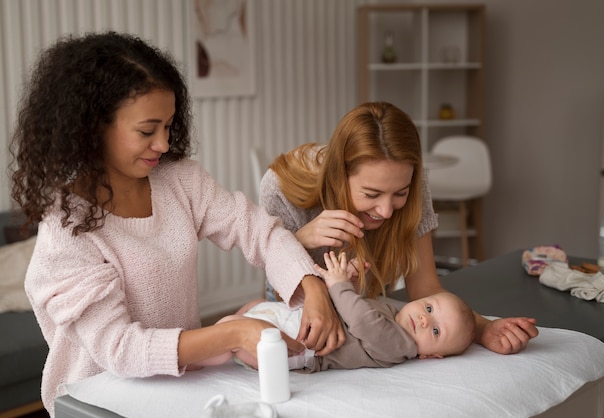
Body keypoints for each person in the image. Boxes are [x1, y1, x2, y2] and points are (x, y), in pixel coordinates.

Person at [9, 31, 343, 416]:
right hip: (96, 400)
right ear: (92, 127)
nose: (164, 144)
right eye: (147, 131)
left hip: (177, 385)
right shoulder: (69, 227)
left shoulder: (180, 182)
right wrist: (231, 332)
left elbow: (259, 230)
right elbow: (120, 349)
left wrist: (311, 286)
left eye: (168, 126)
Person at [260, 101, 539, 355]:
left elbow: (425, 287)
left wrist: (482, 329)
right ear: (338, 176)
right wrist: (297, 241)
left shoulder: (415, 184)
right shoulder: (281, 189)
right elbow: (279, 291)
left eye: (400, 193)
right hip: (294, 311)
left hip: (365, 317)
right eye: (371, 194)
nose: (386, 211)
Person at [200, 251, 476, 371]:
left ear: (431, 355)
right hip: (303, 318)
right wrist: (352, 283)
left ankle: (200, 357)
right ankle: (214, 341)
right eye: (429, 308)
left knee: (235, 334)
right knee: (252, 307)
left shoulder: (401, 345)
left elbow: (362, 321)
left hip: (303, 346)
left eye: (437, 330)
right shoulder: (394, 309)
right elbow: (356, 309)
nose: (425, 320)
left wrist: (339, 285)